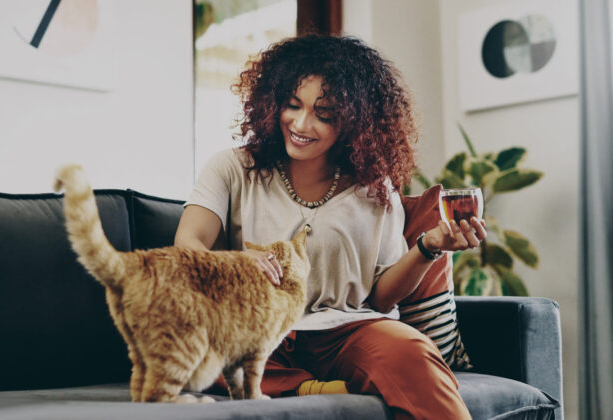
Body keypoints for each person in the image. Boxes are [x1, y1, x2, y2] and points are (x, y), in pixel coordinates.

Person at [174, 35, 485, 420]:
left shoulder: (376, 188)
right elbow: (189, 242)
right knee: (202, 348)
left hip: (348, 331)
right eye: (292, 105)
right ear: (273, 102)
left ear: (355, 122)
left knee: (412, 351)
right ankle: (308, 388)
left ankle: (305, 383)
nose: (301, 124)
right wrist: (236, 266)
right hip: (260, 327)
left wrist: (427, 247)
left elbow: (383, 298)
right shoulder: (232, 168)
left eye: (324, 115)